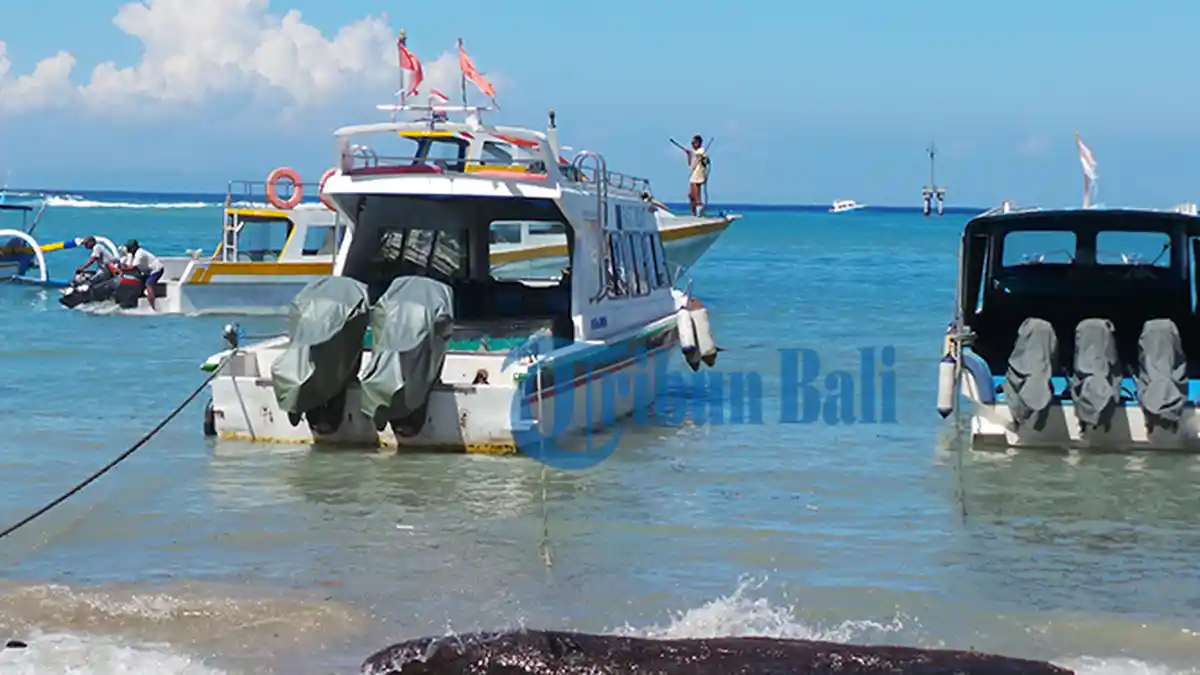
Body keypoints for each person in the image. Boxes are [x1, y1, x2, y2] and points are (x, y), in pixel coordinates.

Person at [121, 239, 165, 310]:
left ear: (133, 247)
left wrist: (120, 269)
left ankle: (152, 307)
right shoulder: (133, 254)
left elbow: (133, 268)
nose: (128, 249)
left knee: (148, 284)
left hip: (156, 270)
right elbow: (128, 265)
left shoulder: (139, 253)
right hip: (147, 271)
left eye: (129, 247)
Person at [680, 134, 710, 216]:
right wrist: (688, 155)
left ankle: (700, 209)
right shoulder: (694, 152)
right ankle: (693, 214)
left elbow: (705, 160)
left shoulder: (701, 150)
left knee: (696, 195)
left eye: (694, 143)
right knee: (691, 195)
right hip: (693, 174)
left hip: (698, 174)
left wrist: (694, 154)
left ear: (699, 143)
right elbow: (690, 164)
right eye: (692, 143)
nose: (693, 145)